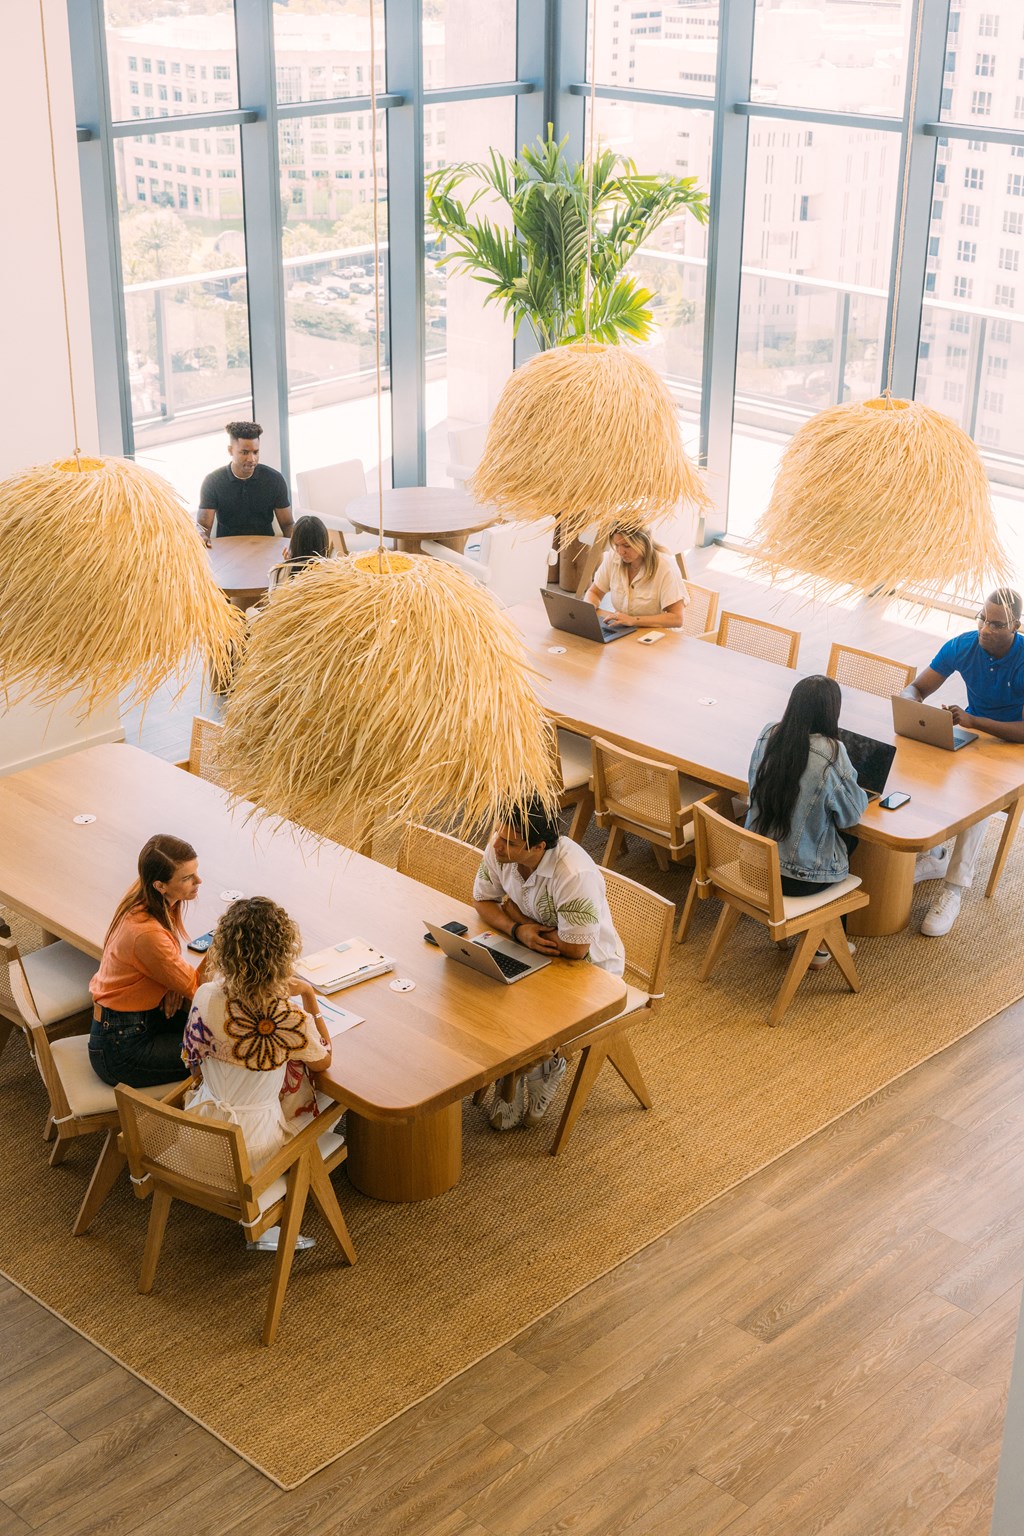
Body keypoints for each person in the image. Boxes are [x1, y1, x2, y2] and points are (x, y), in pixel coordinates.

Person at [472, 799, 625, 1130]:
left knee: (518, 1005)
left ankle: (540, 1065)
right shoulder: (500, 847)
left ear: (538, 847)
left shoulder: (573, 873)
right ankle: (522, 1068)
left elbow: (574, 949)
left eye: (509, 842)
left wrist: (513, 910)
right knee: (482, 989)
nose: (495, 845)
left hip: (590, 969)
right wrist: (517, 927)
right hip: (532, 943)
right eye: (497, 834)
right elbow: (483, 900)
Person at [902, 587, 1024, 937]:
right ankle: (936, 854)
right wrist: (912, 703)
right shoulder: (963, 644)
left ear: (1015, 625)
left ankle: (953, 890)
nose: (986, 628)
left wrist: (974, 722)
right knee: (923, 768)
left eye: (997, 624)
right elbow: (917, 688)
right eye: (983, 618)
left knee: (979, 799)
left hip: (1014, 747)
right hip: (976, 735)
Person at [181, 897, 332, 1172]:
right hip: (252, 1153)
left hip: (197, 1133)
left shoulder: (204, 995)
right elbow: (324, 1059)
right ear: (281, 957)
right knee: (327, 1095)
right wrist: (309, 995)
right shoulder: (287, 1018)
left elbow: (195, 1069)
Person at [746, 675, 868, 971]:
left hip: (752, 868)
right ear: (831, 712)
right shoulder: (831, 753)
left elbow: (752, 786)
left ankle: (818, 936)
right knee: (850, 841)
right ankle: (822, 946)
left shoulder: (768, 734)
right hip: (799, 881)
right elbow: (852, 813)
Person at [89, 834, 205, 1088]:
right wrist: (183, 976)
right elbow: (200, 989)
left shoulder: (143, 894)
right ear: (160, 885)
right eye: (187, 878)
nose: (199, 881)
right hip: (121, 1051)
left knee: (215, 1031)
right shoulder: (147, 934)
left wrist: (170, 981)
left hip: (132, 1022)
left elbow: (175, 972)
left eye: (195, 872)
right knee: (221, 1054)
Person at [196, 421, 293, 545]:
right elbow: (203, 527)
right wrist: (199, 535)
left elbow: (288, 524)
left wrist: (296, 545)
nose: (251, 459)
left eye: (255, 452)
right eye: (245, 452)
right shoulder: (213, 481)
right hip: (228, 551)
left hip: (266, 548)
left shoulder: (274, 479)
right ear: (230, 450)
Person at [584, 525, 688, 629]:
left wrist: (633, 621)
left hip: (657, 637)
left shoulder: (665, 566)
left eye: (627, 546)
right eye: (617, 545)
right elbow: (594, 592)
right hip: (625, 632)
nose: (620, 552)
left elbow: (677, 618)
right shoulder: (614, 556)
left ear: (643, 542)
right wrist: (588, 609)